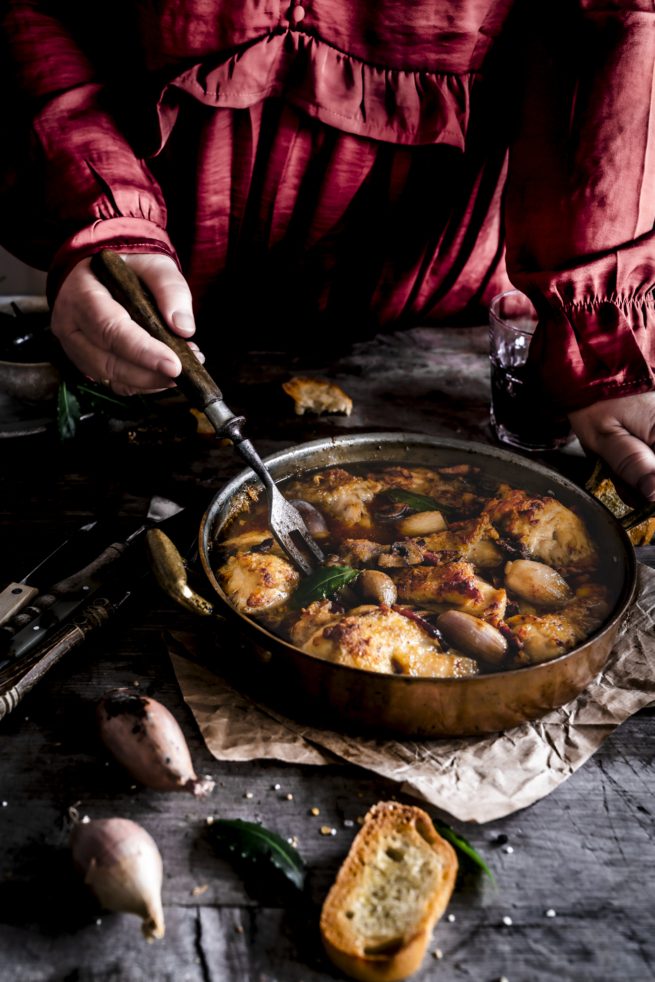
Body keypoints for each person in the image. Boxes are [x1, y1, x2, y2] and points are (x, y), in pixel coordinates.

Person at [1, 0, 655, 499]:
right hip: (164, 269)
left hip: (448, 290)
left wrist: (606, 322)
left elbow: (611, 22)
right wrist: (96, 206)